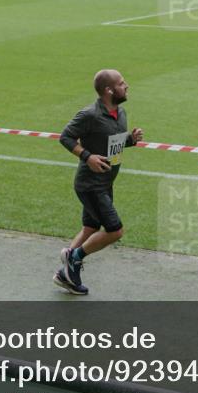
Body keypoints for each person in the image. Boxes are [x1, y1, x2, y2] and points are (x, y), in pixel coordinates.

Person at [55, 69, 143, 295]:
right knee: (115, 231)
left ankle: (63, 271)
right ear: (108, 90)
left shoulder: (120, 113)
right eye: (122, 83)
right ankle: (74, 258)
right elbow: (65, 137)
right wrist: (87, 157)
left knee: (90, 228)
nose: (127, 86)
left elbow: (111, 143)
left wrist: (130, 140)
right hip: (90, 185)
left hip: (105, 183)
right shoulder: (89, 115)